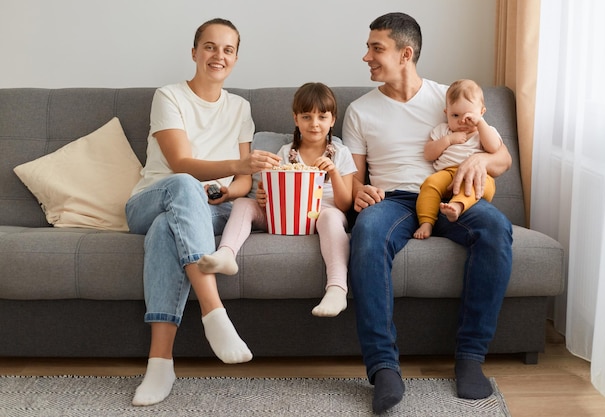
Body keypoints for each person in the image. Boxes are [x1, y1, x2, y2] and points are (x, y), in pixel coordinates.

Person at [341, 12, 513, 414]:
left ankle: (470, 359)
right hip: (395, 201)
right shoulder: (360, 110)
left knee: (496, 228)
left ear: (406, 53)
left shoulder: (448, 97)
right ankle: (383, 368)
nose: (366, 56)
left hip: (453, 193)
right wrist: (359, 194)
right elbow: (354, 181)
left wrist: (481, 164)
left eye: (375, 48)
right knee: (366, 234)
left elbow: (501, 156)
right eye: (368, 47)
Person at [124, 18, 280, 407]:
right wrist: (236, 168)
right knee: (182, 184)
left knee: (166, 230)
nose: (218, 56)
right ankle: (215, 314)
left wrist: (230, 188)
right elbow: (179, 161)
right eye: (210, 47)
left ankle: (159, 364)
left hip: (210, 208)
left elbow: (244, 182)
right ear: (194, 52)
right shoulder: (169, 96)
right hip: (153, 198)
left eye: (228, 50)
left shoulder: (241, 107)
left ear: (236, 58)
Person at [199, 82, 357, 318]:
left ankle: (336, 288)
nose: (314, 123)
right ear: (296, 118)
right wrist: (263, 197)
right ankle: (226, 254)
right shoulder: (285, 153)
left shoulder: (341, 153)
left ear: (332, 120)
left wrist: (333, 172)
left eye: (322, 117)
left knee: (331, 217)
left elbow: (345, 204)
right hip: (285, 216)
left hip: (321, 213)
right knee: (243, 203)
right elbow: (271, 190)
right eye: (306, 116)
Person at [413, 79, 502, 239]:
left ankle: (457, 206)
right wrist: (448, 140)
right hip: (447, 174)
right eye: (455, 115)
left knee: (476, 187)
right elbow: (428, 154)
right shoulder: (443, 131)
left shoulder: (484, 132)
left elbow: (494, 148)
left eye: (469, 116)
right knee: (429, 184)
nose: (462, 120)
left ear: (482, 112)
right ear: (446, 113)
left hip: (478, 176)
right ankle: (426, 222)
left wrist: (480, 124)